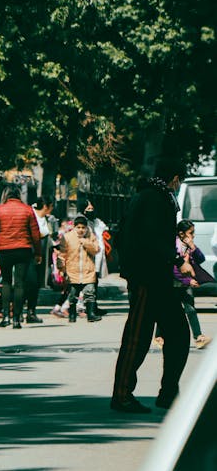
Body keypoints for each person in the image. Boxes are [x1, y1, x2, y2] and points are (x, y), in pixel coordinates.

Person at [111, 159, 193, 413]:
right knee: (137, 336)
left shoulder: (152, 197)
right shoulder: (153, 199)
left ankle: (169, 392)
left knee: (178, 333)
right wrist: (179, 260)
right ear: (175, 179)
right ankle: (122, 395)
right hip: (146, 277)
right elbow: (150, 238)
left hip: (157, 277)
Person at [0, 184, 42, 329]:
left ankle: (5, 317)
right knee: (20, 283)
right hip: (23, 249)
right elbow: (36, 234)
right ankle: (17, 319)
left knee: (6, 282)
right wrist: (38, 252)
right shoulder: (27, 210)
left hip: (4, 250)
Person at [154, 221, 212, 350]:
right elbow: (174, 269)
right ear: (181, 233)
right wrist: (188, 281)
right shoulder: (175, 246)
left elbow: (201, 259)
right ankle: (159, 336)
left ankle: (198, 337)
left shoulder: (186, 246)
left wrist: (192, 245)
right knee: (166, 309)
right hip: (172, 284)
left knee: (190, 309)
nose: (193, 235)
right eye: (191, 233)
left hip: (184, 285)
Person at [58, 215, 101, 323]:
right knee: (73, 294)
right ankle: (72, 315)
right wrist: (61, 268)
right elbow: (62, 254)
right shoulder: (67, 237)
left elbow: (96, 249)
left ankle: (90, 314)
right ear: (74, 227)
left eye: (83, 227)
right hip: (73, 271)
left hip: (88, 270)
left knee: (90, 292)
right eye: (78, 227)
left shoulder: (91, 236)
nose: (81, 230)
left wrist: (85, 242)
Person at [24, 196, 54, 323]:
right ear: (46, 206)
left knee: (35, 284)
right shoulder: (30, 215)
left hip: (41, 254)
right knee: (27, 282)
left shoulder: (46, 219)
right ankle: (15, 310)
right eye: (51, 206)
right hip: (29, 253)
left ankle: (31, 311)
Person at [79, 198, 109, 316]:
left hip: (97, 254)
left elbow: (104, 228)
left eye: (92, 208)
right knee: (86, 282)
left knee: (94, 281)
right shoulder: (81, 222)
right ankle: (82, 307)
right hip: (87, 255)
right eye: (88, 208)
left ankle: (93, 306)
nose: (91, 210)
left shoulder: (96, 221)